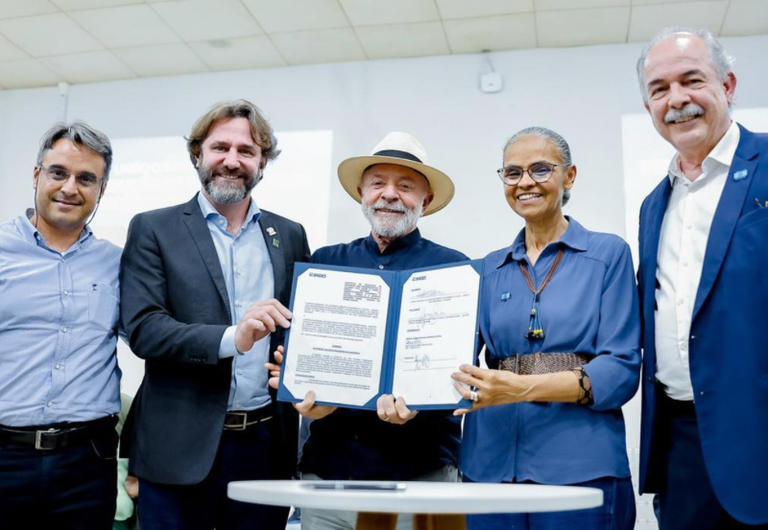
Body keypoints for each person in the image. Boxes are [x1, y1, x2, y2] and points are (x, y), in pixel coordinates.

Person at [120, 99, 310, 530]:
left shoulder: (289, 234)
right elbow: (143, 329)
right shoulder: (154, 228)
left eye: (246, 150)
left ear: (262, 163)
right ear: (197, 155)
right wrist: (232, 338)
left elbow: (302, 329)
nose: (232, 160)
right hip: (176, 449)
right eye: (220, 147)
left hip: (265, 446)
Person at [269, 131, 468, 530]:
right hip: (329, 479)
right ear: (362, 193)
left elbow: (461, 375)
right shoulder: (324, 264)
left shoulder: (455, 272)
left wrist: (421, 410)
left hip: (422, 481)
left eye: (406, 186)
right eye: (378, 183)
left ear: (425, 202)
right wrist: (302, 395)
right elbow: (289, 358)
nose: (389, 195)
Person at [452, 127, 640, 530]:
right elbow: (450, 363)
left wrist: (520, 387)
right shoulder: (485, 269)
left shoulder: (608, 254)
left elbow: (621, 369)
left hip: (580, 467)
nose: (525, 183)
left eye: (540, 169)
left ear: (569, 176)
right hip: (488, 469)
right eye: (512, 172)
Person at [636, 27, 768, 528]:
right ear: (649, 106)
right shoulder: (655, 204)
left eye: (692, 80)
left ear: (728, 86)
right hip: (682, 446)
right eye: (659, 89)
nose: (677, 100)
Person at [0, 122, 122, 528]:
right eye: (59, 173)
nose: (70, 187)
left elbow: (155, 334)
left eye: (86, 178)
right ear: (37, 175)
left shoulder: (118, 263)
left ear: (100, 191)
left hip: (87, 462)